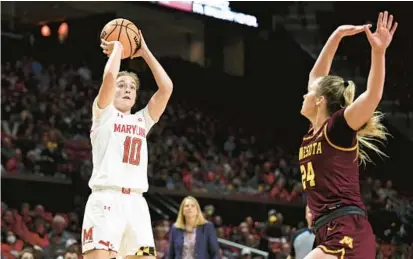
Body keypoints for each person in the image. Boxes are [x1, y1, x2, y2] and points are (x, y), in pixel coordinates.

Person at [299, 11, 397, 259]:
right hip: (326, 229)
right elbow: (315, 78)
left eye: (309, 94)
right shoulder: (314, 132)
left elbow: (372, 96)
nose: (303, 95)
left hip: (346, 226)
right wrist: (337, 35)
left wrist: (378, 52)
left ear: (320, 101)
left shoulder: (338, 127)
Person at [81, 29, 173, 259]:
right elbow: (109, 79)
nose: (127, 89)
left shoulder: (142, 120)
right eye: (122, 86)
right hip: (105, 200)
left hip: (136, 205)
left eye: (132, 88)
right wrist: (119, 50)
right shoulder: (103, 113)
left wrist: (145, 52)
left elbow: (166, 88)